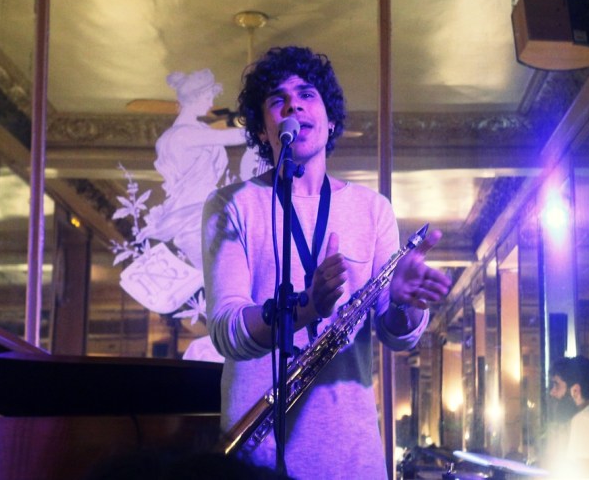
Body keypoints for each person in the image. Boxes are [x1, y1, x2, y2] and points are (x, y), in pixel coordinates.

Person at [202, 46, 451, 479]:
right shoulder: (230, 204)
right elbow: (226, 331)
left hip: (351, 459)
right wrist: (306, 308)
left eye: (306, 94)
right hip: (254, 460)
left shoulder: (373, 209)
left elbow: (398, 336)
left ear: (330, 120)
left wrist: (405, 302)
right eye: (277, 99)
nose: (293, 105)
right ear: (262, 129)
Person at [138, 68, 247, 270]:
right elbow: (234, 136)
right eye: (207, 98)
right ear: (194, 99)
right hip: (193, 213)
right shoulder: (182, 135)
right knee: (216, 270)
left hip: (205, 208)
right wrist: (262, 123)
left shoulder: (198, 131)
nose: (211, 104)